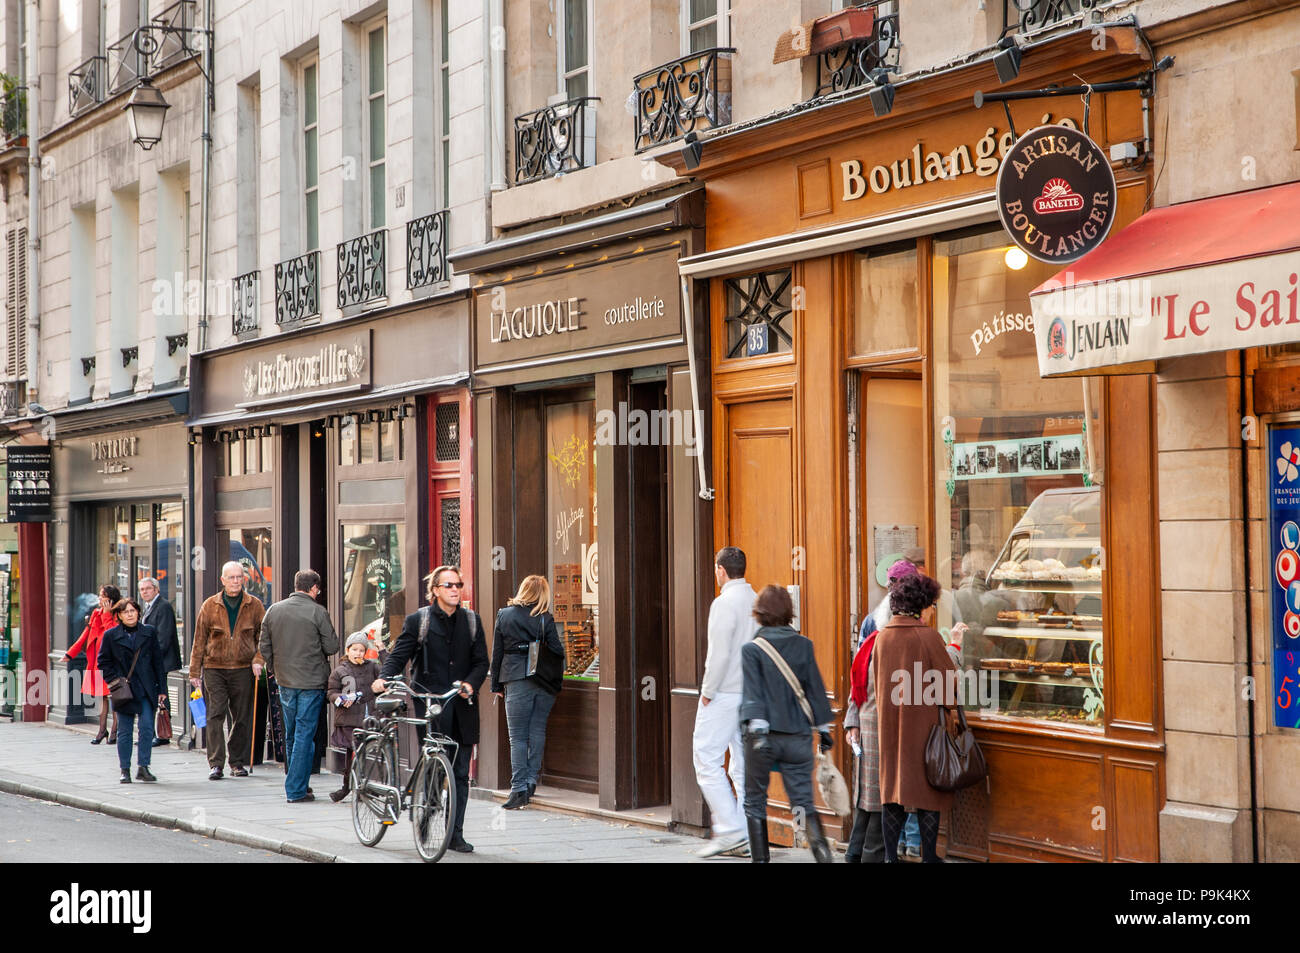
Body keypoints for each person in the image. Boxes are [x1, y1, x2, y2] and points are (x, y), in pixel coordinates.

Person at [373, 565, 487, 853]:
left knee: (461, 772)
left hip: (462, 707)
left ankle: (454, 834)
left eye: (458, 584)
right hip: (431, 707)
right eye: (448, 585)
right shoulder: (419, 621)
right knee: (437, 768)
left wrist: (471, 684)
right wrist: (384, 678)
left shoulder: (472, 621)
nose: (455, 589)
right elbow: (400, 655)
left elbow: (482, 662)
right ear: (435, 590)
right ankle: (427, 814)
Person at [740, 585, 834, 864]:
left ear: (760, 613)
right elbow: (815, 689)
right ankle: (821, 849)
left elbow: (754, 694)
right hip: (797, 738)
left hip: (762, 737)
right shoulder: (804, 645)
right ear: (788, 613)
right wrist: (825, 730)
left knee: (754, 800)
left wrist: (757, 732)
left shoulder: (752, 650)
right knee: (802, 802)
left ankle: (761, 860)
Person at [874, 570, 960, 863]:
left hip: (889, 725)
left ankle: (890, 856)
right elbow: (948, 680)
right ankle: (928, 855)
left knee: (892, 790)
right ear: (921, 603)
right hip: (923, 726)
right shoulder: (927, 636)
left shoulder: (882, 637)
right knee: (926, 792)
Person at [692, 546, 757, 858]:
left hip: (724, 693)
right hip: (752, 695)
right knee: (742, 768)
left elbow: (717, 654)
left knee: (705, 759)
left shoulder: (723, 603)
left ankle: (730, 831)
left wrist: (707, 691)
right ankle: (745, 834)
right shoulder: (756, 601)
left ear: (720, 570)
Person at [258, 569, 340, 803]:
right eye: (318, 590)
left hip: (285, 681)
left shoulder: (274, 610)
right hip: (312, 682)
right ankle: (295, 789)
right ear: (313, 588)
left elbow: (264, 646)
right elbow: (332, 646)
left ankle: (300, 783)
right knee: (304, 734)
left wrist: (275, 668)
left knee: (292, 733)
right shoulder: (318, 611)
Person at [491, 574, 565, 810]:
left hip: (515, 678)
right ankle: (531, 780)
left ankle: (518, 788)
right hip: (543, 682)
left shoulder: (504, 615)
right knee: (537, 730)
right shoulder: (545, 618)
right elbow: (558, 652)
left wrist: (496, 686)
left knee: (518, 737)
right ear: (543, 594)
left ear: (523, 590)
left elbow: (497, 654)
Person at [189, 560, 266, 781]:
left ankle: (237, 762)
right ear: (222, 580)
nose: (235, 581)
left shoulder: (255, 605)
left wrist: (258, 659)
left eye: (239, 577)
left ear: (244, 579)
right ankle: (216, 763)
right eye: (231, 577)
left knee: (241, 717)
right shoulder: (210, 605)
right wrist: (195, 672)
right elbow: (199, 640)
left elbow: (263, 637)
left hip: (243, 668)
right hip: (214, 667)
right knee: (215, 714)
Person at [97, 598, 168, 784]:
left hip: (146, 687)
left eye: (133, 610)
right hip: (124, 689)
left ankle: (143, 767)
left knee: (146, 728)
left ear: (138, 613)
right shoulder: (111, 635)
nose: (130, 614)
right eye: (125, 611)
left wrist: (162, 688)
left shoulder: (149, 633)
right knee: (125, 731)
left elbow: (158, 662)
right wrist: (114, 680)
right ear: (119, 615)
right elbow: (103, 662)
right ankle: (125, 769)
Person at [842, 627, 884, 862]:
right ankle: (863, 854)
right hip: (876, 727)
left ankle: (853, 853)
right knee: (874, 799)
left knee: (869, 798)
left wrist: (853, 721)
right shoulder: (875, 633)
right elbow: (858, 679)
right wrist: (852, 721)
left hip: (872, 725)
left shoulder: (874, 635)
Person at [327, 632, 381, 802]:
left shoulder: (372, 667)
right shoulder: (340, 671)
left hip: (368, 717)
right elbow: (331, 693)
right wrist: (340, 699)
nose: (358, 653)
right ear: (347, 650)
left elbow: (387, 674)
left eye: (361, 650)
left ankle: (354, 788)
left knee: (362, 752)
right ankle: (351, 787)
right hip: (349, 718)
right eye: (354, 649)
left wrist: (383, 651)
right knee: (356, 752)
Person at [66, 585, 120, 745]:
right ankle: (102, 730)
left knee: (114, 697)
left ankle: (115, 731)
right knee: (102, 697)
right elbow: (86, 634)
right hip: (97, 661)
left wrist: (108, 615)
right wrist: (71, 653)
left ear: (110, 598)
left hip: (112, 662)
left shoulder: (117, 614)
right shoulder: (96, 613)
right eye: (99, 595)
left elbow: (112, 635)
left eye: (102, 595)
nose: (99, 598)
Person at [139, 577, 181, 747]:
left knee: (162, 696)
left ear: (156, 589)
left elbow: (164, 637)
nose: (145, 592)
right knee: (157, 696)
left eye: (148, 589)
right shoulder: (148, 607)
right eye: (142, 590)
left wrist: (150, 658)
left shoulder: (163, 606)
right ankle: (157, 733)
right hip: (152, 660)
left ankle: (163, 734)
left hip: (161, 661)